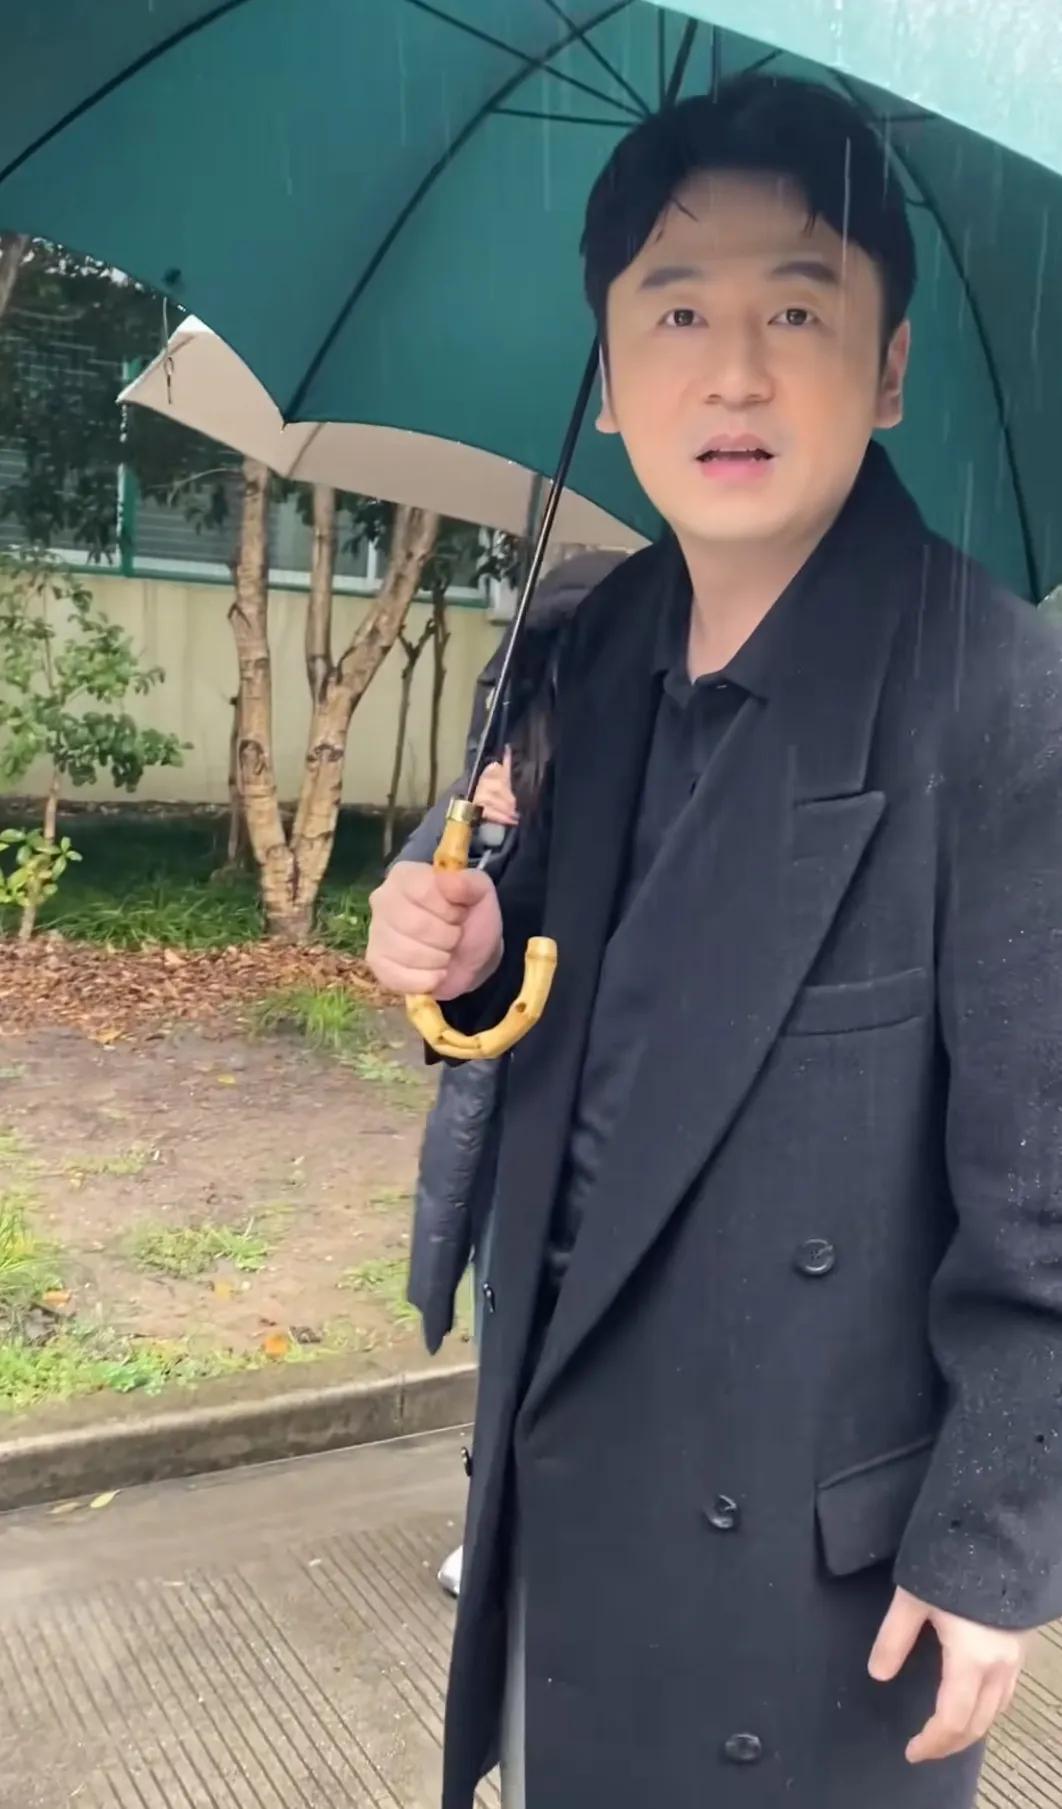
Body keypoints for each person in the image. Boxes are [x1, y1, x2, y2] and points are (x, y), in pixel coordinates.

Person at [366, 75, 1062, 1809]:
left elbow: (1045, 1183)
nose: (732, 372)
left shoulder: (999, 698)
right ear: (608, 379)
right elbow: (569, 1022)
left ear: (888, 366)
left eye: (797, 310)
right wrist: (461, 954)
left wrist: (995, 1540)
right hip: (562, 1478)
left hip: (813, 1570)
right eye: (675, 311)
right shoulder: (584, 649)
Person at [399, 550, 624, 1599]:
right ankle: (495, 1516)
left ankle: (572, 1522)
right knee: (509, 1318)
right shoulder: (498, 769)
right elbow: (433, 928)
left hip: (621, 1106)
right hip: (517, 1108)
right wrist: (491, 835)